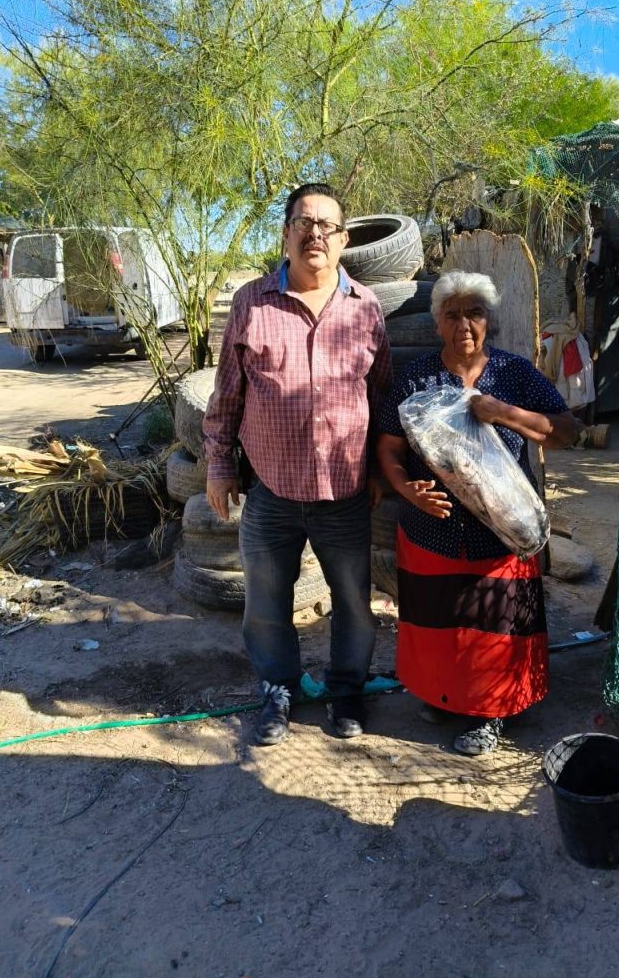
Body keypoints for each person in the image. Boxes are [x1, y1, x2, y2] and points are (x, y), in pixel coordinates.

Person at [203, 183, 392, 745]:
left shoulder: (366, 308)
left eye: (327, 225)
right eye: (304, 223)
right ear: (286, 233)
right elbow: (227, 392)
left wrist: (378, 470)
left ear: (344, 239)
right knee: (266, 606)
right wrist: (218, 465)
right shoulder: (251, 303)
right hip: (271, 491)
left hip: (345, 493)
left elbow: (380, 397)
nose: (315, 234)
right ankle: (278, 691)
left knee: (353, 603)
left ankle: (346, 689)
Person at [377, 270, 578, 755]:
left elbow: (566, 432)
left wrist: (503, 412)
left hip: (501, 532)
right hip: (432, 529)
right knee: (437, 622)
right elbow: (388, 447)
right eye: (452, 315)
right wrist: (406, 489)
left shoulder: (513, 374)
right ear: (437, 323)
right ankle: (444, 697)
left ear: (489, 320)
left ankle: (491, 713)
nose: (464, 324)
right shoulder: (417, 378)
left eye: (475, 313)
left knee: (494, 624)